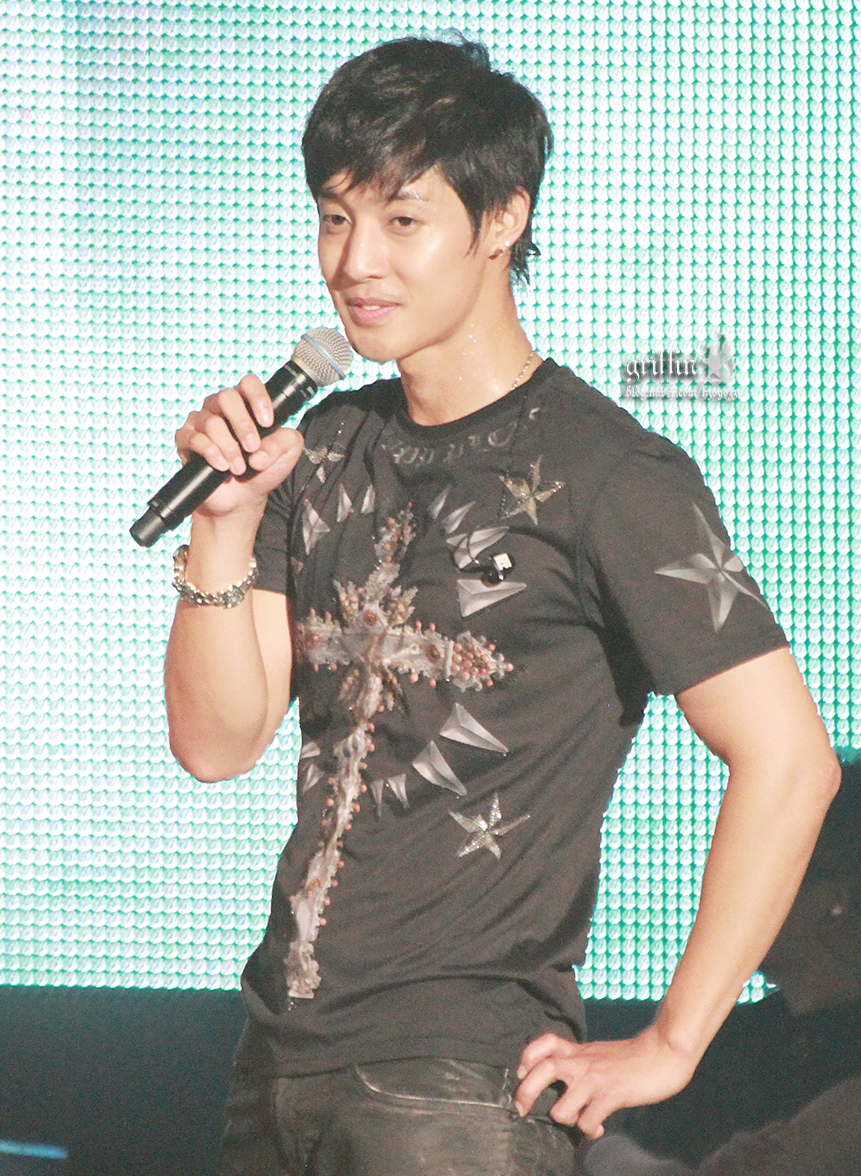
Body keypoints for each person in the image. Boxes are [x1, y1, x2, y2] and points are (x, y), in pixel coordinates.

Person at [162, 36, 839, 1176]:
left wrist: (675, 1041)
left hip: (459, 1085)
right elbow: (216, 743)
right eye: (333, 218)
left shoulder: (606, 470)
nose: (355, 261)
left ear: (503, 218)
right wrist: (223, 525)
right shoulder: (318, 451)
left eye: (401, 219)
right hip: (276, 1063)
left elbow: (791, 759)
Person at [582, 757, 861, 1176]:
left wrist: (601, 1148)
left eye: (768, 874)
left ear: (832, 900)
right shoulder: (725, 1044)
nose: (738, 896)